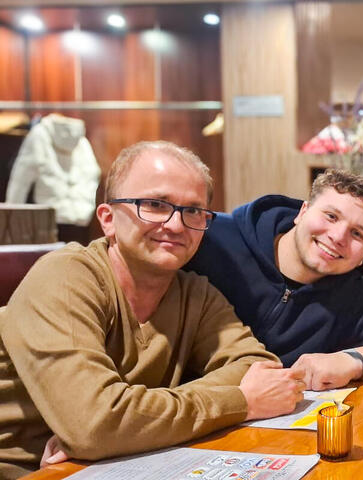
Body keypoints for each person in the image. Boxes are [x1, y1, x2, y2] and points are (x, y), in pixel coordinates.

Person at [0, 141, 305, 478]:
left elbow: (258, 369)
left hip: (112, 463)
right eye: (155, 204)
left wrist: (125, 423)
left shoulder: (196, 293)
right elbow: (95, 426)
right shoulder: (65, 276)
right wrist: (240, 402)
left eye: (192, 210)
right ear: (108, 219)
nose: (176, 225)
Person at [185, 170, 363, 391]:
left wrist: (351, 362)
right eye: (331, 216)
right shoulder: (211, 236)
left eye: (357, 234)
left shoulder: (353, 297)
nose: (338, 236)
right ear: (303, 212)